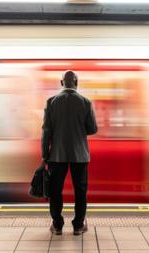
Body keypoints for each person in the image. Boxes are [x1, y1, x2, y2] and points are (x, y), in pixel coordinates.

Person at [41, 70, 98, 235]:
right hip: (80, 155)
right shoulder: (86, 102)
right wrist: (78, 129)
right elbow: (92, 129)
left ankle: (57, 225)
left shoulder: (51, 102)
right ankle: (78, 225)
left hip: (56, 155)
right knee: (80, 191)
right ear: (76, 83)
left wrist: (45, 155)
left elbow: (46, 132)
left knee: (55, 191)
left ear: (61, 84)